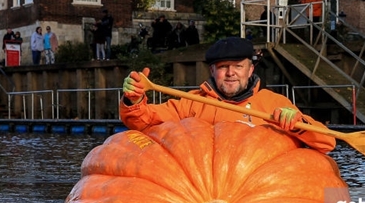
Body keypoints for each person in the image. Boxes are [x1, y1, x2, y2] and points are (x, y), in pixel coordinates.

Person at [120, 37, 335, 153]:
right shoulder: (192, 103)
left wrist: (298, 124)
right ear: (212, 71)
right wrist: (134, 99)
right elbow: (144, 122)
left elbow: (327, 143)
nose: (231, 73)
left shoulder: (274, 103)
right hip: (202, 196)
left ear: (250, 70)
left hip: (259, 197)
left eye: (238, 66)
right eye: (223, 67)